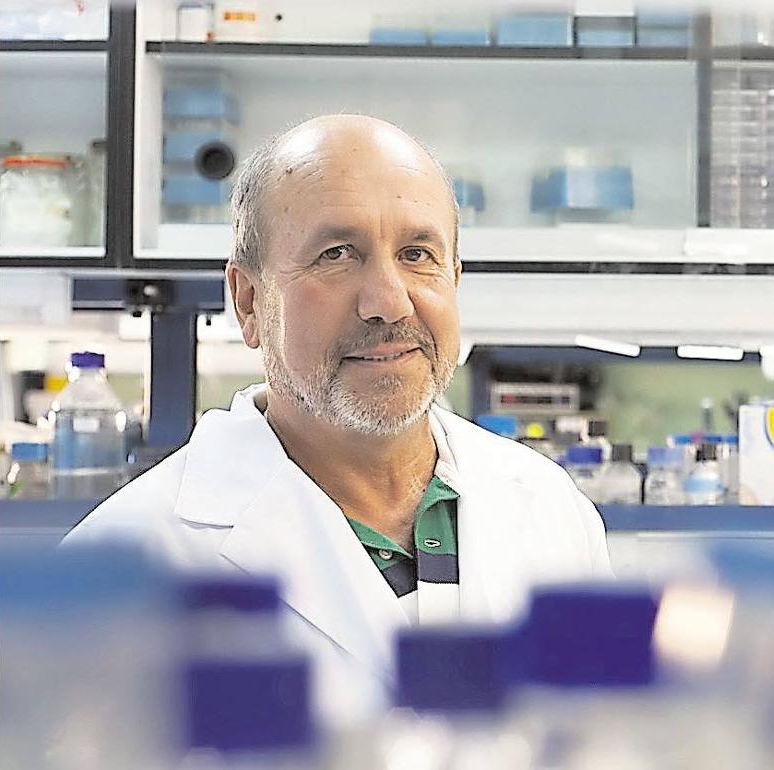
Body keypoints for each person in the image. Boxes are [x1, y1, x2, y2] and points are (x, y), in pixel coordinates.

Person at [63, 115, 611, 724]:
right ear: (248, 301)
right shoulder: (119, 568)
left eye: (417, 255)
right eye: (337, 255)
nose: (389, 301)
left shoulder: (549, 510)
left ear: (454, 281)